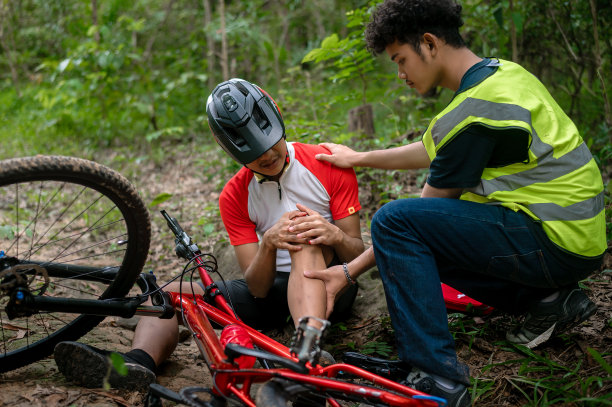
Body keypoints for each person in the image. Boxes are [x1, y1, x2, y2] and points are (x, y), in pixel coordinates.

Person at [303, 1, 606, 406]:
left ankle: (435, 377)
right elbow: (430, 148)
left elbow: (416, 220)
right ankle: (549, 301)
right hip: (576, 238)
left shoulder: (473, 113)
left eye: (401, 60)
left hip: (552, 239)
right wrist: (357, 157)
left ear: (429, 43)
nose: (400, 74)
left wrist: (349, 270)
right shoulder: (501, 74)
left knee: (394, 222)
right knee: (418, 232)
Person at [54, 78, 364, 392]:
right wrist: (268, 243)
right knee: (166, 293)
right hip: (272, 293)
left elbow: (357, 255)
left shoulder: (327, 164)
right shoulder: (234, 195)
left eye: (271, 145)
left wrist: (333, 235)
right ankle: (139, 362)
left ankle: (306, 357)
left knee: (302, 237)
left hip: (330, 287)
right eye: (255, 154)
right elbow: (257, 287)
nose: (267, 156)